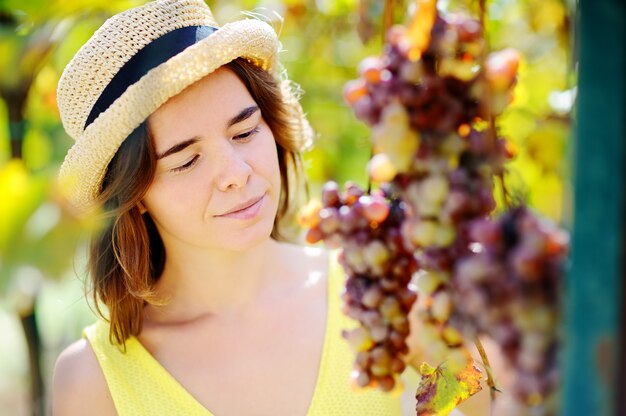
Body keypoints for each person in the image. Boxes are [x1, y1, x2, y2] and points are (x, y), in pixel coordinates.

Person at [51, 1, 424, 415]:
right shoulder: (93, 381)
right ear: (134, 197)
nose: (237, 172)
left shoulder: (379, 293)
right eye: (186, 160)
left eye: (245, 131)